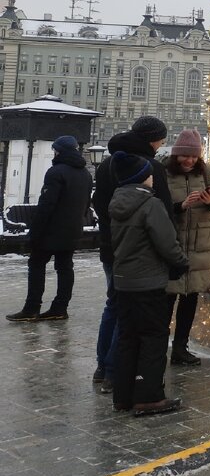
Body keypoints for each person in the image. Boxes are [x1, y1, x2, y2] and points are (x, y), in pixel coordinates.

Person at [91, 116, 172, 391]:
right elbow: (163, 214)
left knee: (112, 304)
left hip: (110, 246)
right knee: (130, 316)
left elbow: (99, 205)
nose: (162, 144)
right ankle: (116, 373)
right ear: (152, 139)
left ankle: (103, 367)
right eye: (161, 138)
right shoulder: (150, 168)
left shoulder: (106, 165)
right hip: (140, 254)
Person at [109, 150, 188, 416]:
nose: (153, 179)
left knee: (127, 338)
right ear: (142, 179)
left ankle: (123, 395)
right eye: (149, 175)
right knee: (153, 338)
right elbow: (166, 243)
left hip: (124, 282)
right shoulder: (150, 205)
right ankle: (149, 396)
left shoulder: (118, 201)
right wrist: (180, 262)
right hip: (148, 283)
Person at [6, 135, 93, 323]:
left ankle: (32, 308)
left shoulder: (56, 172)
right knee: (65, 268)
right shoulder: (85, 174)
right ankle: (60, 308)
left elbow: (46, 205)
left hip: (50, 231)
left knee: (36, 265)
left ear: (58, 151)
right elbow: (86, 203)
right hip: (72, 230)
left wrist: (34, 233)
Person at [164, 130, 210, 366]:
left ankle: (181, 348)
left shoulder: (206, 171)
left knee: (190, 300)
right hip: (174, 243)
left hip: (200, 245)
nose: (189, 161)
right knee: (167, 300)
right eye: (185, 156)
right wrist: (180, 206)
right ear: (176, 155)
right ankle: (160, 348)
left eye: (193, 157)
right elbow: (157, 205)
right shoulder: (165, 172)